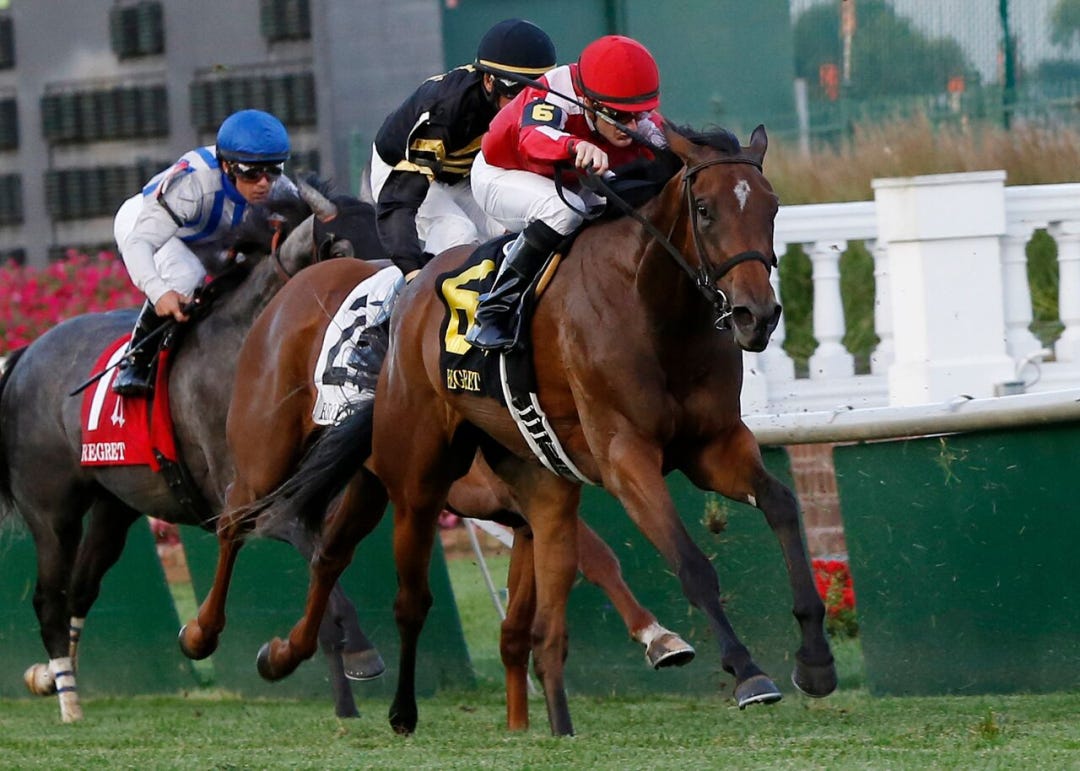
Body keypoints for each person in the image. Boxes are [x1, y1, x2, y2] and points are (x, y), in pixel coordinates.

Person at [467, 34, 667, 350]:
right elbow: (532, 138)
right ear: (589, 102)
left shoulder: (627, 109)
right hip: (503, 172)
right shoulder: (554, 91)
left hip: (566, 178)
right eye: (618, 116)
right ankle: (493, 311)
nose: (630, 126)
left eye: (638, 114)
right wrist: (573, 145)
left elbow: (671, 148)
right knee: (564, 212)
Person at [111, 109, 295, 395]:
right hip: (145, 223)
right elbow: (140, 243)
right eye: (251, 173)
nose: (263, 183)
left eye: (273, 170)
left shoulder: (281, 189)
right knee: (186, 275)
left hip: (206, 234)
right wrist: (159, 292)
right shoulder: (193, 183)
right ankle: (136, 359)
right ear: (227, 166)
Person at [369, 18, 557, 287]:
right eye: (516, 94)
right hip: (402, 172)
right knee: (458, 232)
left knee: (515, 228)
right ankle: (403, 302)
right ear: (489, 81)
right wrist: (411, 270)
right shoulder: (446, 111)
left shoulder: (521, 102)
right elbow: (399, 200)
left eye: (536, 95)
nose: (525, 108)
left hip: (465, 173)